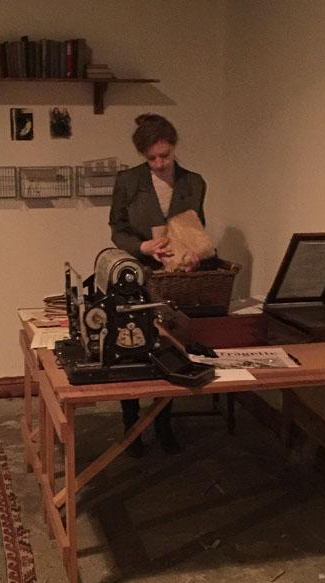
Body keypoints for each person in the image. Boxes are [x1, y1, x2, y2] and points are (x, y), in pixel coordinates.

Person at [109, 113, 207, 457]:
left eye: (164, 155)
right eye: (151, 158)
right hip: (136, 274)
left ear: (174, 147)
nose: (159, 163)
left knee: (170, 347)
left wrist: (194, 254)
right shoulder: (128, 181)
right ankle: (131, 425)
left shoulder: (194, 183)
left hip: (174, 278)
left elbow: (197, 229)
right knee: (132, 348)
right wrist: (142, 246)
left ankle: (164, 422)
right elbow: (117, 229)